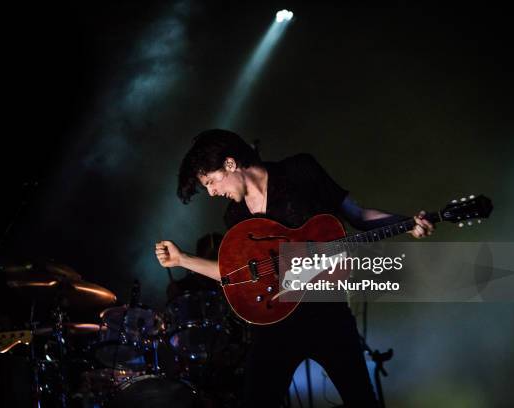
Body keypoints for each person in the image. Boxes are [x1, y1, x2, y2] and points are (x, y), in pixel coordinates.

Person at [155, 129, 434, 407]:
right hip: (275, 323)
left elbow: (358, 216)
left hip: (326, 311)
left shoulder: (300, 171)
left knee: (361, 399)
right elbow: (235, 274)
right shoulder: (235, 216)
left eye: (211, 182)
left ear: (230, 164)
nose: (213, 192)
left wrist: (407, 223)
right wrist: (182, 260)